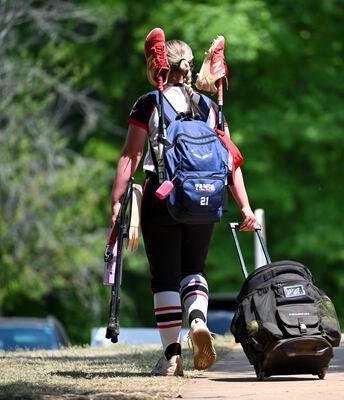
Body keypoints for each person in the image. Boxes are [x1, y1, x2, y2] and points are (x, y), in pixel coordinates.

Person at [109, 34, 256, 377]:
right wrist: (246, 208)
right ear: (188, 67)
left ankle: (172, 356)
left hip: (161, 199)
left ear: (156, 65)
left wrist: (117, 200)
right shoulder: (211, 108)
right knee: (195, 268)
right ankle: (198, 321)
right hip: (205, 199)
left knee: (165, 278)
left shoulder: (150, 102)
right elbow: (230, 162)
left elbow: (131, 155)